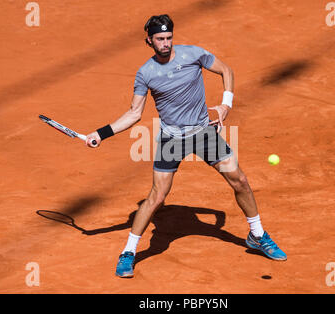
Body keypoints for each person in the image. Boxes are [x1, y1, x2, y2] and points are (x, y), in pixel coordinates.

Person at [86, 14, 286, 278]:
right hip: (171, 139)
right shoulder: (146, 73)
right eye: (160, 39)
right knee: (157, 197)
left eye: (169, 38)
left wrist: (226, 104)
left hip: (203, 132)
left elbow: (226, 71)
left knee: (240, 180)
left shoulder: (193, 54)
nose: (166, 43)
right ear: (149, 40)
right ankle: (129, 252)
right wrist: (101, 133)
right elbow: (134, 114)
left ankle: (257, 235)